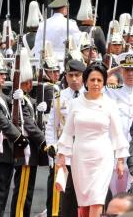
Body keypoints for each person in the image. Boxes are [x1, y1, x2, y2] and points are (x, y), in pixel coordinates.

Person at [56, 62, 129, 216]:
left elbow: (117, 133)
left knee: (97, 198)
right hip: (80, 157)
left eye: (99, 80)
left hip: (102, 156)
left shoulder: (110, 104)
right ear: (86, 81)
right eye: (92, 80)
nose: (96, 84)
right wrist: (62, 157)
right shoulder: (75, 104)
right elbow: (68, 132)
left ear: (103, 83)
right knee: (83, 201)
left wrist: (121, 160)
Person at [0, 54, 29, 217]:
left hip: (6, 152)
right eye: (0, 73)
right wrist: (19, 137)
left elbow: (11, 112)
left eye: (4, 74)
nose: (4, 76)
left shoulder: (2, 96)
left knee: (1, 196)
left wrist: (20, 99)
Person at [45, 59, 86, 217]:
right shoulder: (59, 97)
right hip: (65, 154)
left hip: (85, 152)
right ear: (66, 77)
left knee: (84, 194)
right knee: (64, 195)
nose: (74, 79)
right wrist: (51, 146)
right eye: (70, 75)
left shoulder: (91, 95)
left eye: (77, 75)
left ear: (83, 76)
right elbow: (51, 126)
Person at [11, 48, 48, 217]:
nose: (31, 84)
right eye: (29, 81)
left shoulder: (26, 100)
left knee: (28, 191)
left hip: (31, 152)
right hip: (26, 150)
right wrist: (43, 140)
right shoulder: (19, 100)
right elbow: (28, 124)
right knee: (23, 192)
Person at [106, 52, 133, 194]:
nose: (130, 73)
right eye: (126, 69)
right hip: (115, 152)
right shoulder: (111, 92)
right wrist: (111, 71)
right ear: (121, 70)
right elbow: (89, 85)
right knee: (116, 195)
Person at [34, 0, 81, 69]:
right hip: (66, 63)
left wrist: (38, 66)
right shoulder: (71, 24)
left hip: (48, 64)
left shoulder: (43, 24)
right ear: (65, 8)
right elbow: (77, 44)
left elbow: (38, 47)